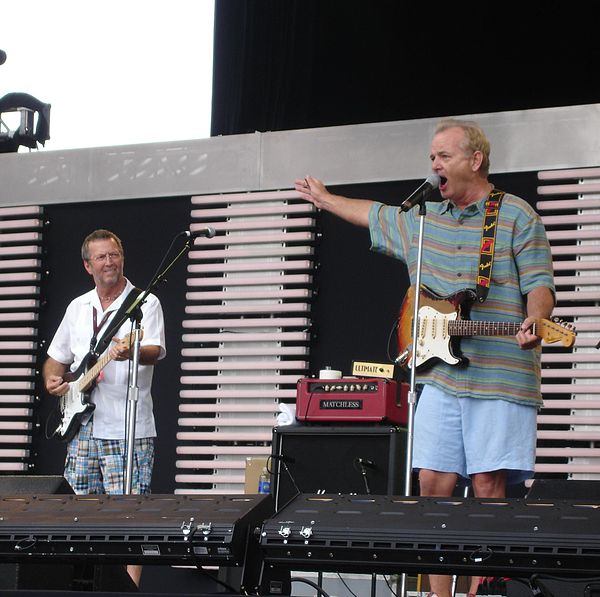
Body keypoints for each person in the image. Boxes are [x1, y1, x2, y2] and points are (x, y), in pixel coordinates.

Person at [294, 119, 555, 597]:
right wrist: (326, 198)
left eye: (444, 156)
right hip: (438, 376)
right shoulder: (424, 220)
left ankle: (482, 590)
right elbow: (372, 214)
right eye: (431, 157)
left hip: (499, 376)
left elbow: (539, 285)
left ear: (475, 160)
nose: (434, 165)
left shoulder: (516, 215)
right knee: (433, 482)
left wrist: (535, 319)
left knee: (487, 486)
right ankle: (438, 594)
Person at [42, 229, 166, 586]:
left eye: (114, 255)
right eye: (101, 257)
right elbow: (55, 360)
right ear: (87, 265)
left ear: (122, 258)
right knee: (78, 515)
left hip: (127, 428)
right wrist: (53, 380)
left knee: (129, 517)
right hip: (83, 431)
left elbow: (156, 351)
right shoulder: (78, 307)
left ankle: (127, 591)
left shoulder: (144, 302)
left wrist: (131, 350)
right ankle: (86, 585)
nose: (109, 262)